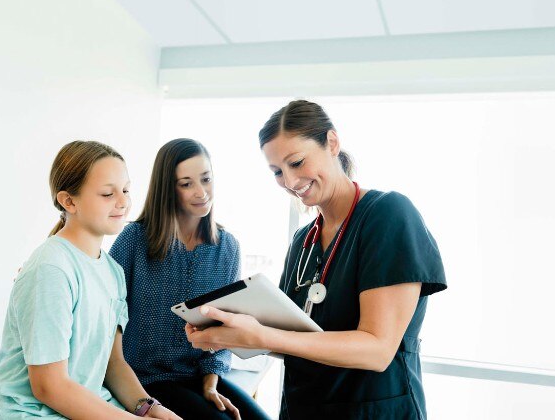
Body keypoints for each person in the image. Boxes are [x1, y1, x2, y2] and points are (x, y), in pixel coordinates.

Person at [185, 100, 447, 419]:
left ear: (332, 143)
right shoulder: (303, 240)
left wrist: (264, 336)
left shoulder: (387, 215)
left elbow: (378, 350)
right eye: (277, 172)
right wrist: (231, 333)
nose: (290, 181)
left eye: (297, 162)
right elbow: (293, 339)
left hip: (373, 410)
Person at [0, 140, 182, 420]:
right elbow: (49, 387)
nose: (123, 202)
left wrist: (149, 408)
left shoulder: (112, 271)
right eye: (107, 194)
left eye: (126, 190)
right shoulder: (51, 269)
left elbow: (113, 364)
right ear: (69, 201)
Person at [111, 138, 271, 420]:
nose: (201, 192)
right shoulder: (133, 240)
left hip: (199, 378)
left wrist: (211, 384)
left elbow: (222, 329)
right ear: (168, 189)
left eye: (206, 179)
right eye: (186, 184)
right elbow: (104, 313)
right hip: (144, 380)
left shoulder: (227, 247)